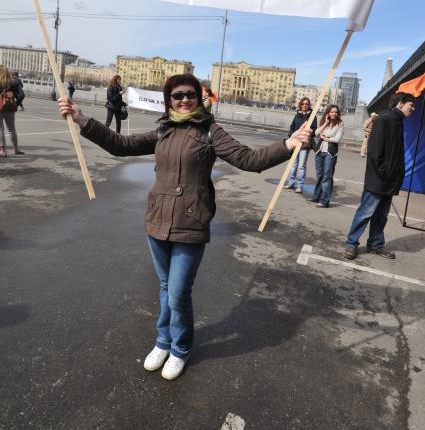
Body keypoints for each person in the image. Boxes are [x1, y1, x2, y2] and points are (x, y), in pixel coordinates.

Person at [58, 73, 311, 380]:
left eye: (190, 94)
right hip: (157, 222)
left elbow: (249, 158)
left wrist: (288, 143)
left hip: (191, 224)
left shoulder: (210, 131)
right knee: (165, 288)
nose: (184, 99)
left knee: (178, 292)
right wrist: (82, 119)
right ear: (169, 100)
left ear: (199, 97)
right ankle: (163, 341)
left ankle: (180, 348)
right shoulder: (162, 130)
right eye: (177, 95)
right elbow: (121, 145)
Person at [344, 92, 415, 261]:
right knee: (365, 213)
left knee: (381, 215)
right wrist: (385, 173)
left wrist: (395, 176)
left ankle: (375, 244)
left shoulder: (397, 121)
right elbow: (375, 152)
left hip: (389, 180)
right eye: (410, 105)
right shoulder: (385, 120)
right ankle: (351, 244)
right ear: (400, 104)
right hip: (379, 179)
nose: (413, 108)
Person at [311, 105, 344, 207]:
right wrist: (325, 123)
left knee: (327, 176)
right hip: (320, 151)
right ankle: (317, 196)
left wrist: (325, 138)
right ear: (328, 113)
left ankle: (324, 200)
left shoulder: (340, 124)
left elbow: (337, 139)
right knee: (319, 175)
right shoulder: (324, 122)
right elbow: (316, 133)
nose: (334, 114)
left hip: (330, 152)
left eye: (336, 112)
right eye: (332, 112)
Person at [284, 97, 317, 193]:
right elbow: (292, 127)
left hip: (304, 144)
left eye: (306, 104)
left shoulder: (312, 116)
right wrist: (291, 136)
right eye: (303, 104)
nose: (304, 105)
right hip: (295, 142)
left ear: (309, 105)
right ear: (300, 105)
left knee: (301, 165)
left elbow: (314, 130)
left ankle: (300, 185)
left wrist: (310, 133)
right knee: (293, 164)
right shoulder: (297, 115)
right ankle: (291, 183)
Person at [0, 65, 24, 157]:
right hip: (9, 109)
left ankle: (2, 150)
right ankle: (16, 149)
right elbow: (21, 95)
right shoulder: (13, 83)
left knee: (0, 129)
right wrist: (16, 104)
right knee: (11, 129)